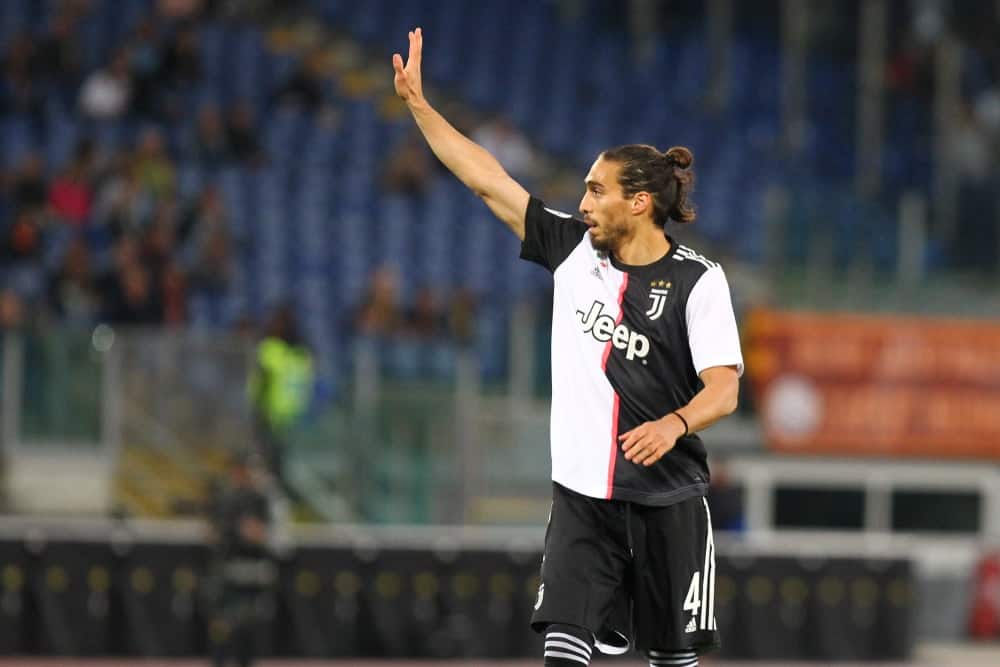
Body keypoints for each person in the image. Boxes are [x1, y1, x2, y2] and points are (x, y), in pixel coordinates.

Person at [393, 28, 743, 667]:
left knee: (673, 661)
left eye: (596, 191)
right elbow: (488, 182)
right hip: (582, 499)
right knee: (563, 654)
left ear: (639, 203)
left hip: (668, 501)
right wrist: (420, 107)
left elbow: (724, 388)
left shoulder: (699, 280)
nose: (581, 203)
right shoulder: (573, 254)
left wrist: (673, 422)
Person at [205, 454, 276, 667]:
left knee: (247, 626)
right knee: (222, 625)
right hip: (227, 568)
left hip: (250, 571)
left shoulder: (259, 499)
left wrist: (252, 532)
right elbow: (213, 533)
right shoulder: (224, 498)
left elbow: (260, 533)